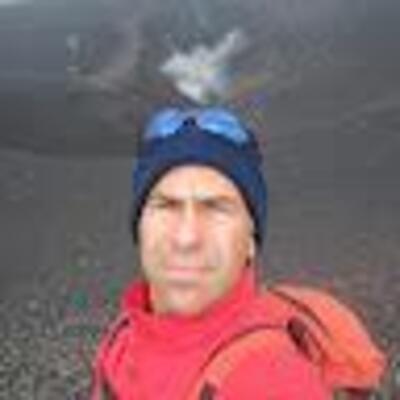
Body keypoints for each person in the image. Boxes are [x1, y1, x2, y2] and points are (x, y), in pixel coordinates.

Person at [90, 107, 385, 399]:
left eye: (216, 208)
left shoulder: (270, 380)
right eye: (167, 205)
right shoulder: (123, 336)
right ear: (139, 226)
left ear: (251, 241)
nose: (186, 237)